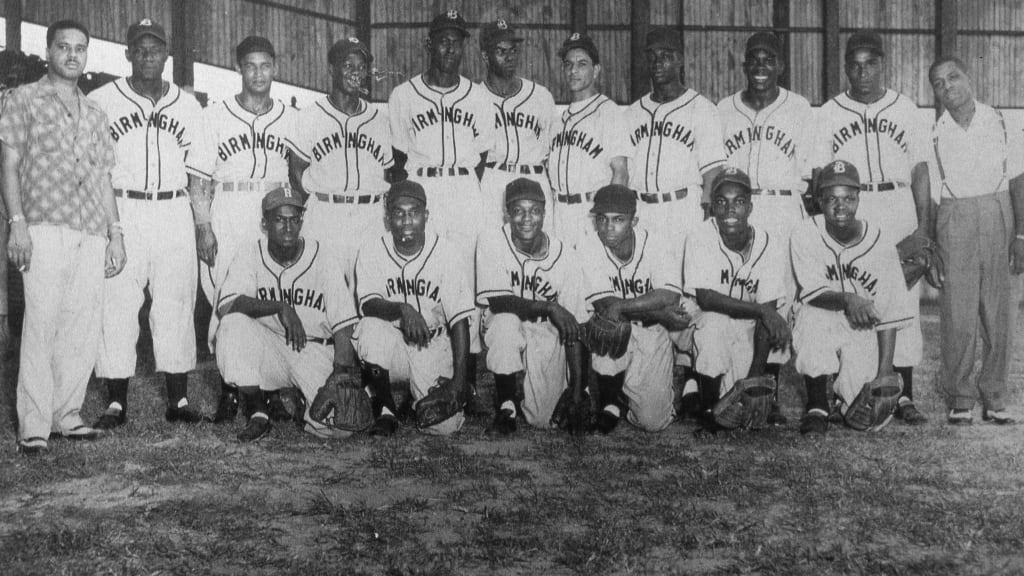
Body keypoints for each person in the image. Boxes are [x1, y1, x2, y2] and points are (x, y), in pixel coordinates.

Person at [1, 19, 125, 454]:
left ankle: (66, 415)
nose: (72, 55)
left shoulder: (95, 113)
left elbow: (103, 178)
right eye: (64, 47)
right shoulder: (24, 99)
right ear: (48, 51)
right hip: (42, 225)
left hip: (90, 228)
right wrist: (16, 222)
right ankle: (34, 425)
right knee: (41, 325)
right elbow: (9, 163)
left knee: (81, 326)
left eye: (80, 48)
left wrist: (116, 232)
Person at [89, 19, 209, 428]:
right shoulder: (104, 99)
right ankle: (116, 402)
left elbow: (199, 174)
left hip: (173, 209)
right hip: (123, 210)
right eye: (139, 49)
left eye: (155, 49)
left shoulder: (188, 105)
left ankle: (177, 401)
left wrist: (203, 224)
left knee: (175, 301)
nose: (147, 56)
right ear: (127, 54)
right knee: (117, 302)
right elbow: (94, 171)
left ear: (166, 56)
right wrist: (107, 227)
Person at [813, 31, 930, 424]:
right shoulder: (829, 111)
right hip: (852, 206)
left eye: (871, 63)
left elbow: (921, 171)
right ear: (846, 67)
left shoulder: (907, 108)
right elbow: (817, 177)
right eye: (855, 64)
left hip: (898, 204)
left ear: (884, 64)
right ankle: (839, 388)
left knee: (904, 298)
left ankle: (904, 394)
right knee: (855, 292)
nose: (862, 72)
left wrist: (924, 228)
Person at [386, 9, 494, 412]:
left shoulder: (478, 95)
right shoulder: (404, 95)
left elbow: (482, 156)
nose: (450, 47)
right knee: (421, 277)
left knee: (464, 282)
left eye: (457, 40)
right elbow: (397, 159)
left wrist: (460, 183)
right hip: (424, 187)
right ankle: (414, 373)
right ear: (429, 44)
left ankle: (468, 382)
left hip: (465, 188)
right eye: (443, 40)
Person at [190, 36, 298, 425]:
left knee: (270, 293)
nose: (258, 73)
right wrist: (203, 225)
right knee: (225, 297)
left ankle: (268, 392)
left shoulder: (290, 116)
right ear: (239, 68)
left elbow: (299, 175)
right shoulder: (215, 115)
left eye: (265, 65)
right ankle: (230, 390)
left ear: (275, 67)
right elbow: (199, 179)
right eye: (250, 66)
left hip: (272, 209)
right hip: (230, 208)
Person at [717, 30, 815, 423]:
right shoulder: (724, 109)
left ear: (781, 66)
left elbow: (813, 172)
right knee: (742, 290)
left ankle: (769, 392)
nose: (761, 66)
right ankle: (736, 380)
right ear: (744, 65)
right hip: (739, 209)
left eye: (768, 59)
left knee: (780, 300)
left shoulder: (801, 108)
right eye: (753, 59)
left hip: (783, 206)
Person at [215, 186, 361, 441]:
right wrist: (280, 306)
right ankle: (258, 411)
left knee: (336, 430)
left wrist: (340, 374)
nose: (288, 227)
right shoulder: (250, 253)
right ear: (264, 223)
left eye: (294, 219)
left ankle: (306, 401)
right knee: (231, 324)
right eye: (280, 220)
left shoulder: (322, 256)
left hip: (314, 350)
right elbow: (227, 304)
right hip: (268, 350)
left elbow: (344, 324)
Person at [927, 55, 1024, 425]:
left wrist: (1020, 234)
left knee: (1000, 313)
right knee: (957, 312)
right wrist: (934, 245)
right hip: (955, 218)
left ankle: (995, 395)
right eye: (939, 83)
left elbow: (1018, 180)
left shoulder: (1000, 121)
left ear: (969, 78)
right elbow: (934, 196)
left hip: (998, 212)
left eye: (953, 77)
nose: (948, 86)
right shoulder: (935, 132)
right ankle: (961, 396)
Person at [790, 160, 911, 435]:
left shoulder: (879, 239)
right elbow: (812, 293)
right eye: (831, 198)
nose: (840, 206)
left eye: (848, 198)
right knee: (810, 318)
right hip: (822, 315)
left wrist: (884, 372)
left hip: (862, 325)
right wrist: (848, 300)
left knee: (868, 417)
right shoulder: (805, 232)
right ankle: (817, 406)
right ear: (819, 200)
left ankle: (844, 400)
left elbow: (890, 311)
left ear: (858, 200)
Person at [352, 180, 475, 436]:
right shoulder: (372, 250)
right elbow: (368, 303)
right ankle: (385, 409)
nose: (406, 220)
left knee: (443, 426)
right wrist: (403, 309)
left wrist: (459, 382)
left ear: (426, 216)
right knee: (369, 327)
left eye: (414, 212)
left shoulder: (447, 253)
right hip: (392, 347)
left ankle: (416, 397)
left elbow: (460, 320)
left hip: (432, 344)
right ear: (387, 219)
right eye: (399, 213)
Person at [682, 168, 790, 432]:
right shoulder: (700, 236)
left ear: (750, 207)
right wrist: (761, 312)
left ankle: (763, 390)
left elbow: (770, 310)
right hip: (700, 322)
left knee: (778, 316)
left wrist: (753, 382)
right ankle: (707, 406)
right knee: (714, 323)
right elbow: (706, 299)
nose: (730, 209)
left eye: (738, 202)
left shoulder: (769, 243)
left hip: (749, 328)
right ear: (712, 207)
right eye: (721, 202)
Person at [475, 178, 585, 435]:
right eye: (518, 211)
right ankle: (506, 404)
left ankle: (535, 387)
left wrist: (578, 389)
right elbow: (499, 301)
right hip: (503, 320)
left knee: (543, 419)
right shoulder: (491, 239)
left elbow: (574, 324)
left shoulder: (564, 254)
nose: (527, 218)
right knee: (505, 323)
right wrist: (550, 307)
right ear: (507, 213)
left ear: (545, 213)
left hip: (545, 329)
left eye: (534, 210)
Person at [579, 184, 688, 434]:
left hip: (652, 333)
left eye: (619, 219)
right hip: (620, 327)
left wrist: (622, 305)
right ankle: (609, 403)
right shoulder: (587, 245)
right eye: (602, 219)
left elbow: (669, 294)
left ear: (634, 220)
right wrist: (658, 312)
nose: (608, 227)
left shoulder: (657, 242)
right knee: (607, 323)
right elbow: (604, 304)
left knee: (653, 421)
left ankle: (639, 392)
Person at [288, 37, 393, 274]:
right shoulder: (309, 116)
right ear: (331, 69)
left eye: (361, 67)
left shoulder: (379, 121)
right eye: (348, 65)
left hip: (370, 216)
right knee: (324, 295)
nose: (356, 72)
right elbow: (296, 172)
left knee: (369, 295)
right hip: (326, 213)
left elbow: (385, 172)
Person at [625, 26, 725, 244]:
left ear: (680, 60)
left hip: (683, 211)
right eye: (652, 57)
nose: (658, 63)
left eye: (665, 56)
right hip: (641, 211)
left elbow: (713, 175)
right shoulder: (632, 112)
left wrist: (708, 224)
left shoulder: (702, 108)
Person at [549, 32, 630, 247]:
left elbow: (620, 172)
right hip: (560, 214)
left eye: (582, 64)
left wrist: (608, 220)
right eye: (568, 65)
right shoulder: (558, 121)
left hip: (591, 213)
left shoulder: (608, 112)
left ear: (596, 70)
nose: (573, 71)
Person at [477, 19, 558, 229]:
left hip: (534, 176)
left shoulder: (541, 96)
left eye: (513, 50)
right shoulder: (474, 98)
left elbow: (553, 152)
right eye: (501, 51)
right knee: (493, 249)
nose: (509, 57)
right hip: (494, 180)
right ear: (485, 56)